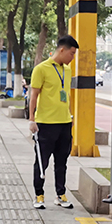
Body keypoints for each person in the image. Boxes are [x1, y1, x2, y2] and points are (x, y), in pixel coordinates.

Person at [28, 35, 79, 210]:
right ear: (62, 50)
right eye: (72, 54)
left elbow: (67, 95)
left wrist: (71, 117)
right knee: (42, 162)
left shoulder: (67, 70)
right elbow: (33, 95)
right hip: (46, 124)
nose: (73, 58)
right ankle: (39, 195)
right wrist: (32, 120)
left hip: (64, 123)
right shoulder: (41, 69)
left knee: (62, 161)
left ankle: (60, 194)